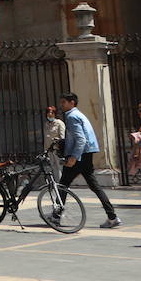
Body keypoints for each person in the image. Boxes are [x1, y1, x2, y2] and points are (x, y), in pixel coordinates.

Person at [58, 92, 121, 228]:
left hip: (79, 155)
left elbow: (81, 139)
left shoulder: (72, 116)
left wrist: (74, 157)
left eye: (63, 102)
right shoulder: (79, 114)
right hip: (87, 153)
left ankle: (56, 216)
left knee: (63, 185)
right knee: (94, 186)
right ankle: (112, 216)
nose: (61, 105)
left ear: (72, 103)